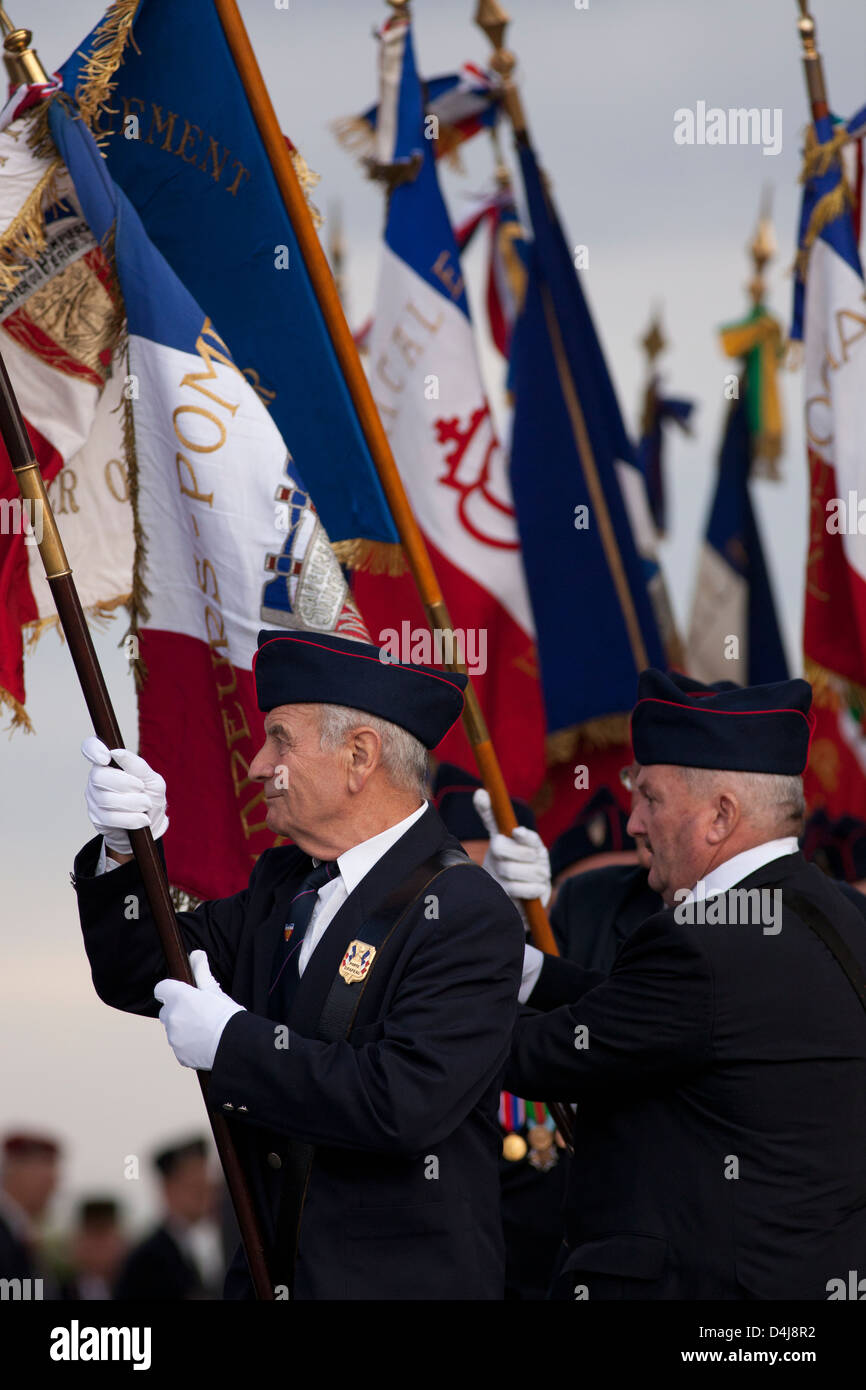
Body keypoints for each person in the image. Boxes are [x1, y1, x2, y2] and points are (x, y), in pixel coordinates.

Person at [72, 630, 524, 1300]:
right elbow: (141, 971)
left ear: (359, 756)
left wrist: (236, 1045)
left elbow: (402, 1104)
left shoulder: (463, 908)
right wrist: (124, 856)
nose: (257, 764)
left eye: (280, 739)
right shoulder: (284, 884)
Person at [509, 668, 866, 1300]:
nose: (635, 824)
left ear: (721, 815)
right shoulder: (835, 913)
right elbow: (655, 1014)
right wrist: (530, 971)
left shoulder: (700, 945)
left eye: (650, 798)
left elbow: (537, 1056)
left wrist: (425, 975)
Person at [114, 1139, 221, 1301]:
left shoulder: (218, 1243)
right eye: (194, 1187)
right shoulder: (147, 1261)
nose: (205, 1196)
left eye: (206, 1186)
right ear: (167, 1188)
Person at [0, 1131, 61, 1289]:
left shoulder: (18, 1233)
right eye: (46, 1179)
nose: (53, 1189)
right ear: (17, 1172)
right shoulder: (7, 1236)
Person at [59, 1198, 126, 1301]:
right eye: (91, 1237)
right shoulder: (55, 1290)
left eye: (103, 1237)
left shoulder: (138, 1289)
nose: (97, 1249)